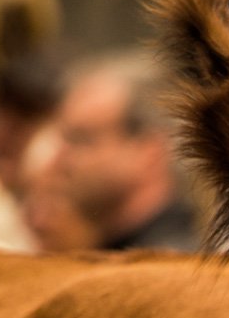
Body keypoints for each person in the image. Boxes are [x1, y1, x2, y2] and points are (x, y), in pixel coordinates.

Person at [50, 56, 197, 252]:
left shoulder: (176, 262)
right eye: (64, 138)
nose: (58, 157)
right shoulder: (113, 250)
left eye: (82, 140)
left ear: (149, 152)